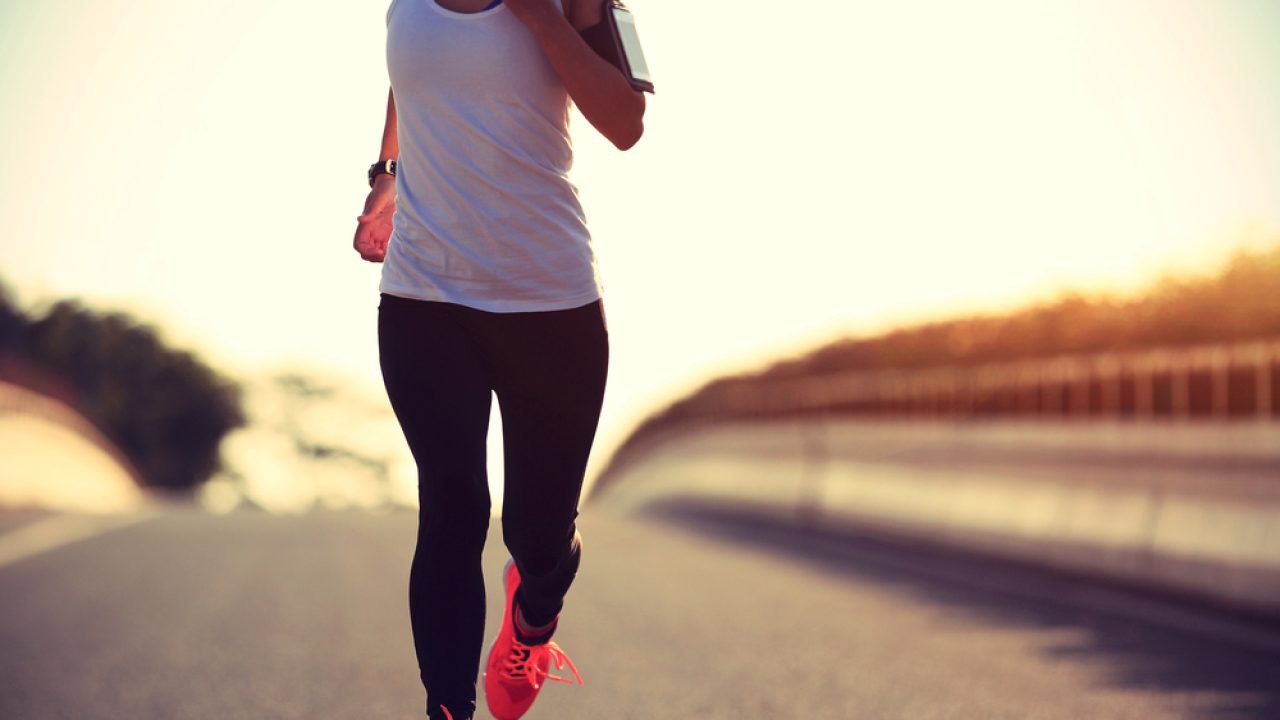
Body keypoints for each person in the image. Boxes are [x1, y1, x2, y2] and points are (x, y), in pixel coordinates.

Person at [351, 0, 646, 718]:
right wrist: (389, 170)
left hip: (550, 305)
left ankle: (534, 617)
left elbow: (626, 123)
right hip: (424, 297)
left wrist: (543, 20)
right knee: (452, 505)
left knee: (538, 536)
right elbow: (412, 72)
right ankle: (447, 708)